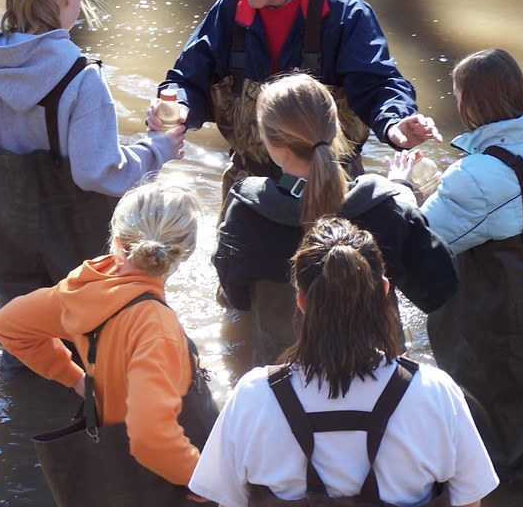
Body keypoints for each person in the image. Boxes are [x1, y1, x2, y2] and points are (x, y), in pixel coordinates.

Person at [190, 216, 498, 506]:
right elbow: (469, 498)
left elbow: (228, 500)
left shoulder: (253, 395)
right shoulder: (434, 392)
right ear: (384, 291)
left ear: (301, 300)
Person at [0, 0, 185, 317]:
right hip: (72, 259)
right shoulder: (81, 79)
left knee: (21, 339)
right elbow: (97, 172)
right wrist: (156, 149)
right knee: (82, 347)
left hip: (5, 249)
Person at [149, 0, 440, 199]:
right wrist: (178, 108)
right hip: (248, 183)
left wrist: (394, 122)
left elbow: (378, 82)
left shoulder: (344, 13)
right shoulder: (229, 9)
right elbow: (186, 79)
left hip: (330, 181)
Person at [407, 48, 523, 476]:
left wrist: (405, 187)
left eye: (457, 94)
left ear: (471, 102)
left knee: (494, 440)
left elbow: (421, 242)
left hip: (518, 327)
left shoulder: (475, 175)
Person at [214, 73, 458, 369]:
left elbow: (236, 297)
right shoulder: (383, 206)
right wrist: (402, 194)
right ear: (335, 128)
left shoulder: (246, 209)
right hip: (379, 377)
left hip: (284, 379)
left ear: (269, 141)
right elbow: (438, 289)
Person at [0, 178, 210, 495]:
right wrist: (202, 480)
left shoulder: (85, 287)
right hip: (160, 472)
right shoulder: (157, 327)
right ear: (185, 253)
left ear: (117, 238)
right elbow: (150, 437)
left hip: (110, 447)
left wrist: (76, 379)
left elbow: (8, 325)